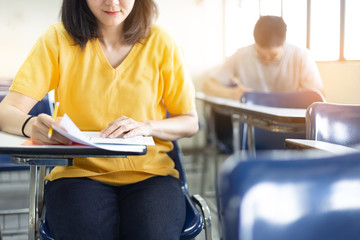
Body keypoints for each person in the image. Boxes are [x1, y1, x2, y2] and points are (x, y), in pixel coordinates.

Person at [0, 0, 198, 239]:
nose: (112, 2)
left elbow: (189, 121)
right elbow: (6, 111)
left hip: (151, 175)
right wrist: (30, 125)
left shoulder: (162, 42)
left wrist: (147, 126)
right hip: (77, 174)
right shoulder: (57, 39)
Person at [203, 15, 324, 99]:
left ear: (283, 44)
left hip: (289, 122)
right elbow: (208, 85)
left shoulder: (301, 56)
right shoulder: (241, 55)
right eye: (261, 55)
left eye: (273, 56)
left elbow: (317, 96)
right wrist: (233, 94)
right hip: (253, 120)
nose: (267, 60)